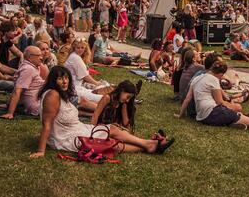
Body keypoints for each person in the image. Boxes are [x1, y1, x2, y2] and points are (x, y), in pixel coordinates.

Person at [31, 67, 174, 158]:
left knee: (112, 131)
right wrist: (41, 150)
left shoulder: (59, 94)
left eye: (66, 77)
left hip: (76, 129)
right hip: (66, 138)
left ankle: (149, 145)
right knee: (110, 138)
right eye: (60, 78)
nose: (64, 81)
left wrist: (124, 106)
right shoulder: (53, 95)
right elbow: (47, 124)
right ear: (53, 80)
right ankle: (149, 145)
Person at [1, 46, 46, 119]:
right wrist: (10, 113)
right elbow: (17, 91)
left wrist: (8, 104)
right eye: (38, 55)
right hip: (38, 107)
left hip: (40, 100)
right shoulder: (28, 69)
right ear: (30, 57)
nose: (41, 58)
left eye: (41, 55)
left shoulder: (31, 66)